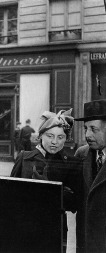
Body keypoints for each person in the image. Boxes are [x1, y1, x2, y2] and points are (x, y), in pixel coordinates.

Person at [11, 109, 83, 251]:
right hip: (26, 226)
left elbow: (74, 203)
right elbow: (10, 195)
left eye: (60, 137)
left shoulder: (70, 163)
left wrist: (48, 189)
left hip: (55, 229)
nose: (54, 142)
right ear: (41, 135)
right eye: (50, 136)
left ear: (66, 139)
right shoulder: (24, 158)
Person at [74, 99, 106, 253]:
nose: (87, 135)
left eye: (94, 129)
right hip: (86, 242)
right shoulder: (81, 154)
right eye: (86, 128)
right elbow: (74, 197)